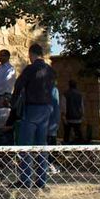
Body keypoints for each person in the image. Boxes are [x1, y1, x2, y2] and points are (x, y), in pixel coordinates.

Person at [12, 43, 56, 188]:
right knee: (42, 145)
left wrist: (13, 103)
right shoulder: (50, 70)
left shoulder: (30, 69)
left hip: (32, 109)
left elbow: (18, 85)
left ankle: (25, 179)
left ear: (31, 54)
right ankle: (41, 180)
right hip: (46, 110)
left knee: (25, 145)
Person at [63, 80, 85, 144]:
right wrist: (82, 115)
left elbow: (64, 106)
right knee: (78, 133)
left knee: (67, 133)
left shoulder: (65, 94)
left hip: (68, 117)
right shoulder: (79, 95)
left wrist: (63, 117)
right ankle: (80, 148)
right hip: (77, 117)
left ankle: (66, 148)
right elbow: (82, 106)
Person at [47, 83, 61, 175]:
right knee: (51, 145)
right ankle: (50, 165)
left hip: (46, 123)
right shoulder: (54, 90)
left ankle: (48, 165)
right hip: (52, 124)